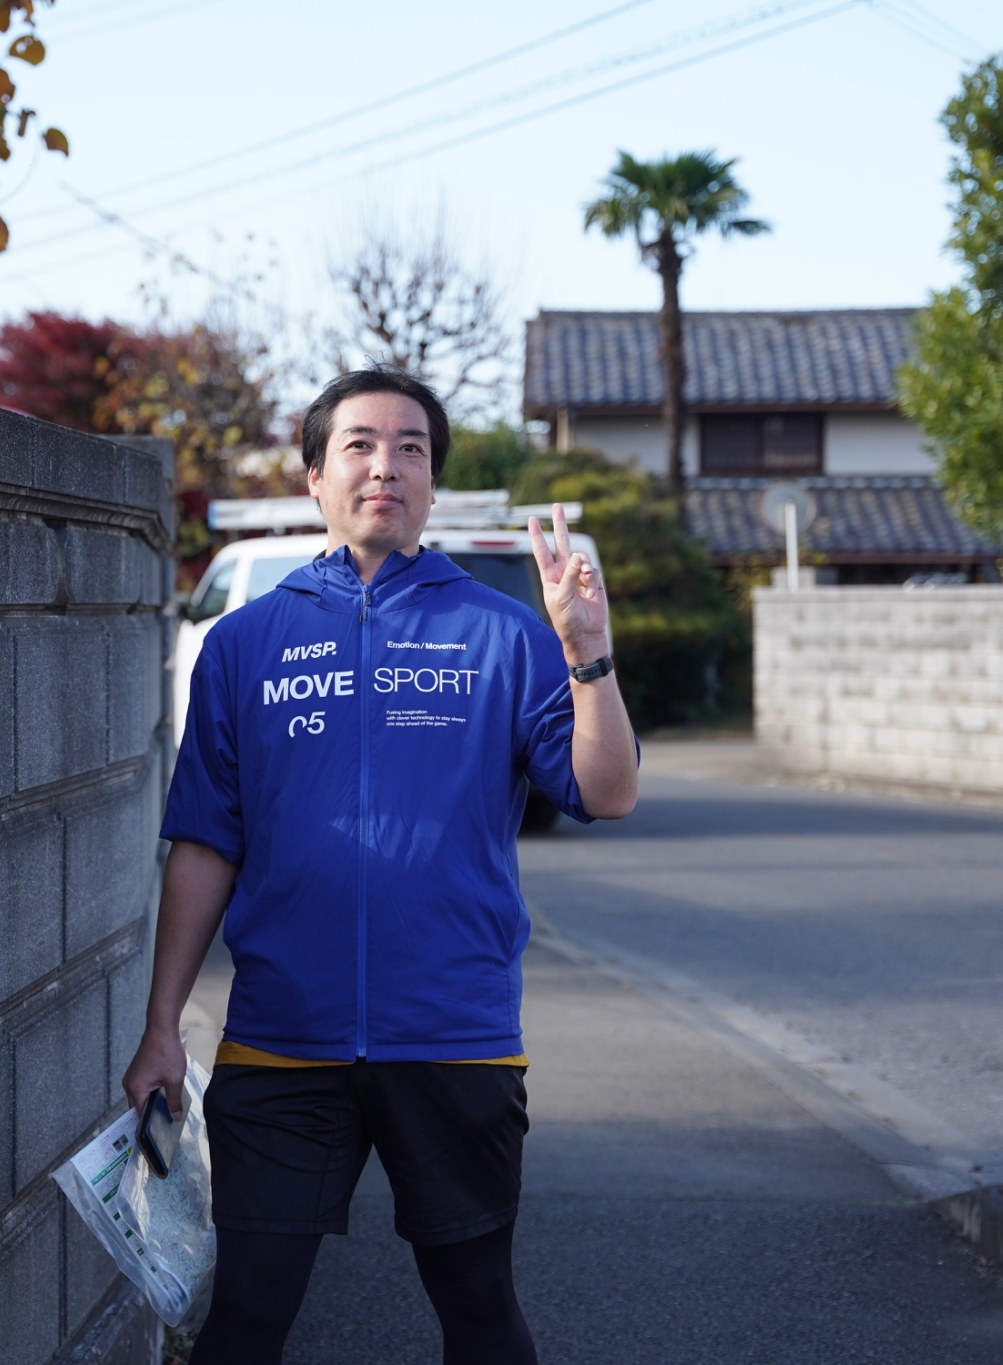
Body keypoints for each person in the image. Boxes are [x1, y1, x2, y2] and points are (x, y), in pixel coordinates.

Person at [121, 367, 639, 1364]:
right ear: (314, 476)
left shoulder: (505, 634)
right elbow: (205, 843)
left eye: (411, 448)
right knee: (244, 1315)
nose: (385, 466)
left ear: (432, 483)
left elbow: (606, 792)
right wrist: (159, 1028)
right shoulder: (243, 645)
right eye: (358, 445)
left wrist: (587, 656)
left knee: (478, 1306)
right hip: (279, 1041)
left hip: (453, 1037)